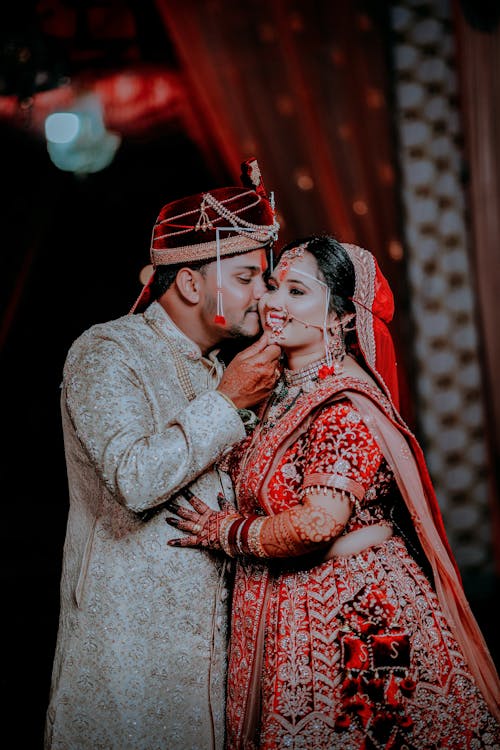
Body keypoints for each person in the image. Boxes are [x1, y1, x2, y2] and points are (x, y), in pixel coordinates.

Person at [168, 235, 500, 749]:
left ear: (343, 318)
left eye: (296, 292)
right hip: (284, 608)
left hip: (352, 615)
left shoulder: (343, 406)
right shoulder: (275, 386)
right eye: (274, 286)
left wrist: (224, 532)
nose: (272, 303)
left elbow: (319, 522)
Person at [44, 158, 283, 750]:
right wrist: (227, 405)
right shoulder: (107, 349)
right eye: (249, 276)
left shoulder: (222, 372)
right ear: (191, 282)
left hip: (207, 660)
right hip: (125, 654)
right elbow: (135, 476)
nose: (265, 294)